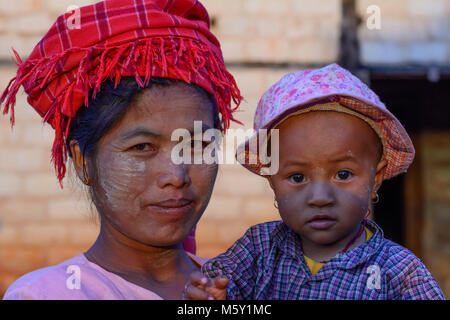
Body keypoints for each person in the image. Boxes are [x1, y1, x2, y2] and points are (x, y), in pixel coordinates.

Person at [1, 0, 241, 300]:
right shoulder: (48, 294)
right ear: (82, 161)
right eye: (142, 147)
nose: (177, 175)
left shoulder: (242, 286)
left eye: (196, 146)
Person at [185, 63, 445, 300]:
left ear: (376, 178)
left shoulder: (399, 273)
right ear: (272, 181)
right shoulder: (258, 250)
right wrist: (210, 296)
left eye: (343, 174)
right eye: (297, 177)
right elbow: (211, 288)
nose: (320, 197)